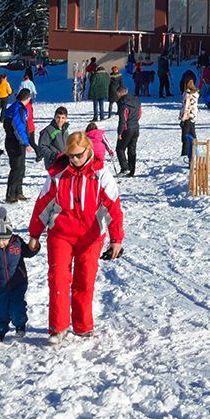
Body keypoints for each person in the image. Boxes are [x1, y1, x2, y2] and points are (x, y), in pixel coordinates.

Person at [28, 131, 124, 345]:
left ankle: (82, 325)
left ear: (89, 150)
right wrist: (34, 233)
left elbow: (113, 208)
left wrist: (116, 238)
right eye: (71, 155)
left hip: (90, 236)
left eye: (79, 155)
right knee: (58, 278)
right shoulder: (57, 174)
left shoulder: (101, 174)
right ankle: (58, 327)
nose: (75, 160)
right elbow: (43, 204)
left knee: (85, 280)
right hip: (61, 234)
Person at [0, 205, 37, 341]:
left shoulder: (17, 242)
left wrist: (33, 247)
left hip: (18, 282)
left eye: (4, 240)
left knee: (17, 306)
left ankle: (20, 325)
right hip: (0, 285)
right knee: (1, 309)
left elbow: (28, 252)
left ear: (10, 236)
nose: (1, 243)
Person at [3, 88, 35, 203]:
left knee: (21, 167)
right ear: (28, 98)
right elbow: (18, 128)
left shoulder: (16, 107)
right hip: (15, 143)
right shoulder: (18, 109)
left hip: (16, 142)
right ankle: (10, 194)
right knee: (16, 168)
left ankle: (18, 191)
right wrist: (25, 143)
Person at [115, 81, 141, 177]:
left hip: (127, 128)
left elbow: (123, 119)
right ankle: (132, 170)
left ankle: (124, 168)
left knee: (120, 148)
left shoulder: (123, 103)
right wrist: (135, 121)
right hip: (136, 126)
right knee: (132, 149)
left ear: (119, 93)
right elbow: (139, 113)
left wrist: (120, 132)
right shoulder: (136, 100)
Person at [180, 76, 198, 162]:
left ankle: (185, 154)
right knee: (193, 136)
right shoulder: (195, 93)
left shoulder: (187, 94)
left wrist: (183, 119)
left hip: (187, 116)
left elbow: (186, 107)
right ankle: (195, 152)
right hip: (193, 116)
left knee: (185, 137)